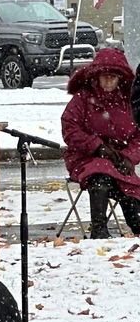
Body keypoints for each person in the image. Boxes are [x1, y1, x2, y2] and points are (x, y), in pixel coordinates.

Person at [61, 48, 140, 239]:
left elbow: (139, 136)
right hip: (85, 157)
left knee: (125, 182)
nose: (109, 81)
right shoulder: (83, 98)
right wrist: (96, 146)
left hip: (119, 159)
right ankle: (99, 227)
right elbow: (70, 128)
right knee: (101, 174)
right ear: (96, 76)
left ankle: (136, 223)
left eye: (113, 77)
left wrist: (128, 157)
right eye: (105, 77)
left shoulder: (128, 100)